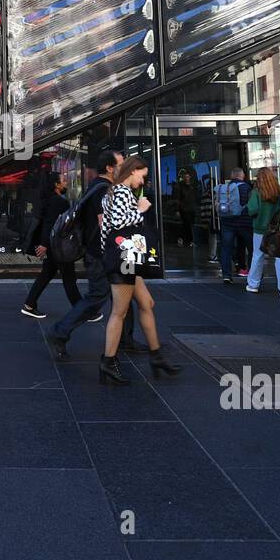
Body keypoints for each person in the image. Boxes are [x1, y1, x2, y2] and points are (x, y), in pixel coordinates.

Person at [97, 155, 182, 385]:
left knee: (147, 304)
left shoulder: (113, 192)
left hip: (122, 257)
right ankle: (108, 362)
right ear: (133, 171)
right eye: (142, 176)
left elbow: (106, 227)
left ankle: (156, 355)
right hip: (123, 258)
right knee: (119, 312)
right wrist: (141, 209)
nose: (143, 182)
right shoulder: (123, 192)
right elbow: (117, 222)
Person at [47, 150, 123, 359]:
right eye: (120, 164)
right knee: (98, 295)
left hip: (101, 252)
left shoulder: (96, 186)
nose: (124, 168)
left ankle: (125, 337)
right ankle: (60, 331)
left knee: (123, 295)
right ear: (109, 167)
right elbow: (104, 222)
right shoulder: (102, 190)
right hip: (99, 253)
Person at [21, 173, 82, 318]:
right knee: (68, 277)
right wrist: (44, 244)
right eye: (63, 180)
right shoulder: (57, 202)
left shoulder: (52, 200)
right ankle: (82, 310)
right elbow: (50, 224)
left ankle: (29, 304)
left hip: (54, 246)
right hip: (58, 247)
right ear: (57, 185)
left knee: (48, 274)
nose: (66, 182)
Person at [246, 167, 280, 300]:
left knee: (257, 256)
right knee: (279, 257)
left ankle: (253, 284)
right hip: (275, 229)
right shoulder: (278, 192)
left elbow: (252, 210)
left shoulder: (256, 192)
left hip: (260, 229)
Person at [216, 168, 253, 284]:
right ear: (242, 176)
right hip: (245, 224)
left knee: (226, 249)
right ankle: (251, 274)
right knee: (251, 249)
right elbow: (252, 205)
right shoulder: (247, 188)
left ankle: (226, 275)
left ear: (232, 176)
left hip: (227, 223)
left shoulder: (224, 188)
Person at [175, 169, 197, 247]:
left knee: (189, 225)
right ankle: (185, 240)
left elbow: (194, 197)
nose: (187, 178)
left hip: (191, 208)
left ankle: (188, 240)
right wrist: (177, 209)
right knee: (186, 224)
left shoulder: (192, 186)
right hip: (184, 208)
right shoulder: (181, 186)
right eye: (186, 177)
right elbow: (178, 198)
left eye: (188, 176)